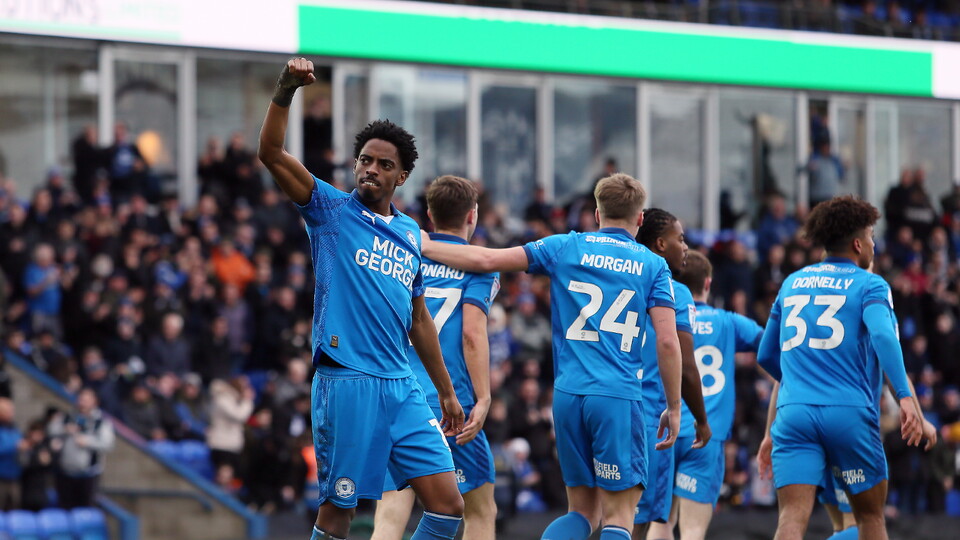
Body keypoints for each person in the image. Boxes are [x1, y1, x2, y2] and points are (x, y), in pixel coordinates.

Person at [257, 58, 465, 540]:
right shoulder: (330, 209)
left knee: (448, 506)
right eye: (365, 160)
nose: (371, 169)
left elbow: (419, 320)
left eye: (384, 165)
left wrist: (447, 391)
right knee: (338, 514)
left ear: (401, 177)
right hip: (346, 379)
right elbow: (270, 152)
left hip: (402, 385)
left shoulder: (410, 233)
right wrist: (286, 89)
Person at [422, 173, 684, 540]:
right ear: (639, 219)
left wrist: (424, 244)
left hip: (567, 396)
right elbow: (668, 342)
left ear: (597, 214)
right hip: (617, 395)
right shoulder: (653, 266)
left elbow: (485, 259)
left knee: (582, 513)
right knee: (619, 515)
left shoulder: (565, 246)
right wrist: (674, 406)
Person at [755, 195, 924, 540]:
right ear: (858, 244)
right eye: (871, 237)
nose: (874, 245)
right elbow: (883, 336)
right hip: (848, 412)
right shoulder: (870, 284)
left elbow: (765, 355)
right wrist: (905, 397)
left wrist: (800, 380)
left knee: (790, 519)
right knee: (870, 519)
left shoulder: (792, 282)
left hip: (794, 413)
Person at [373, 175, 499, 540]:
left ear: (429, 214)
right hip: (449, 404)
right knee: (479, 511)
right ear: (472, 216)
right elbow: (472, 334)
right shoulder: (478, 267)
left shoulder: (404, 254)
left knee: (391, 511)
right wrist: (483, 397)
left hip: (395, 394)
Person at [653, 251, 763, 540]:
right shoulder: (727, 321)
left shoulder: (661, 317)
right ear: (708, 283)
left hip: (664, 428)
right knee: (692, 529)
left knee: (660, 522)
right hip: (704, 435)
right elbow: (768, 344)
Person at [633, 209, 711, 540]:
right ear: (661, 244)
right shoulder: (673, 290)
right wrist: (701, 420)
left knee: (593, 512)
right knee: (635, 521)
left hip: (606, 403)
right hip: (650, 417)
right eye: (680, 239)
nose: (686, 246)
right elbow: (686, 367)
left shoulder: (618, 280)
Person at [47, 388, 115, 509]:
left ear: (95, 402)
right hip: (65, 473)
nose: (83, 403)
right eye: (81, 399)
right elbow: (51, 430)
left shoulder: (101, 422)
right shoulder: (67, 417)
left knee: (85, 509)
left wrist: (88, 441)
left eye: (87, 400)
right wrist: (65, 429)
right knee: (65, 508)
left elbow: (108, 444)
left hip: (88, 475)